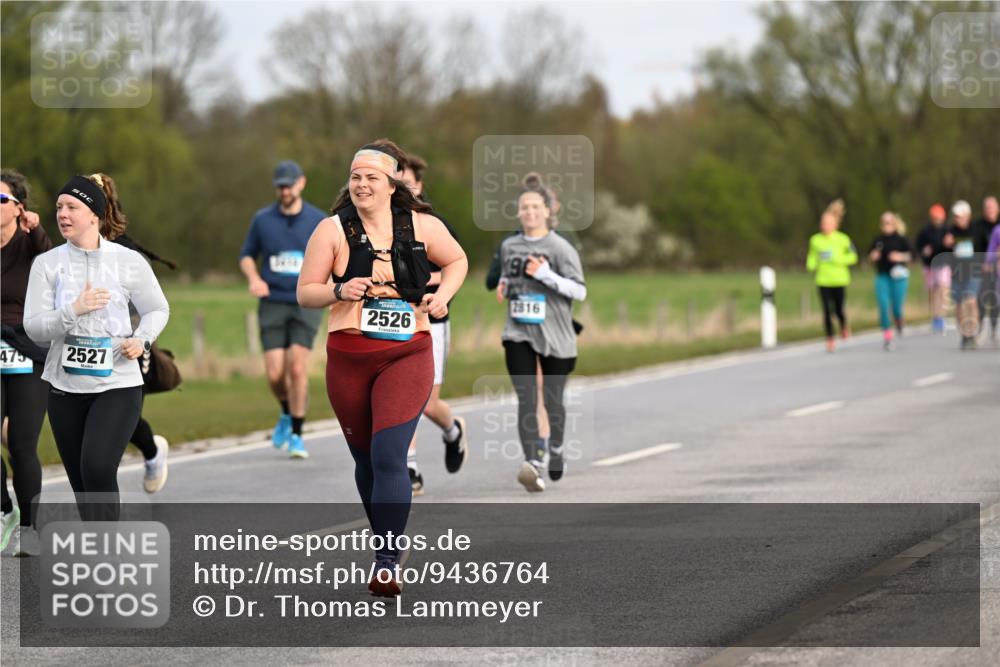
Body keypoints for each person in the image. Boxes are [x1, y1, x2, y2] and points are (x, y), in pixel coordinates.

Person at [297, 141, 467, 596]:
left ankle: (387, 560)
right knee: (366, 461)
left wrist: (442, 296)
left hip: (406, 352)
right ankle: (387, 543)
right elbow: (305, 292)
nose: (361, 185)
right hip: (349, 359)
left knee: (390, 455)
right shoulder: (331, 231)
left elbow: (457, 260)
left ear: (392, 186)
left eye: (371, 178)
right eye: (355, 177)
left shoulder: (424, 226)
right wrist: (338, 290)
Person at [24, 175, 169, 521]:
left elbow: (158, 309)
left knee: (98, 468)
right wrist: (74, 310)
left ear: (95, 215)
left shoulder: (127, 261)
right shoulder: (47, 264)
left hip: (118, 383)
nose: (63, 214)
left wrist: (141, 339)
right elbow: (34, 327)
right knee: (82, 484)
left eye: (72, 207)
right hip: (64, 386)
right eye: (59, 207)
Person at [498, 176, 586, 493]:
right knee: (526, 398)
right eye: (525, 207)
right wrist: (505, 287)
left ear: (547, 211)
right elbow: (510, 279)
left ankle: (557, 447)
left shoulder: (561, 248)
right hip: (518, 331)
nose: (530, 212)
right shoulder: (510, 246)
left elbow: (579, 290)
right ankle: (533, 462)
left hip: (557, 336)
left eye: (536, 206)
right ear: (518, 212)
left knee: (552, 402)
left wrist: (547, 275)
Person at [91, 173, 176, 493]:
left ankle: (152, 454)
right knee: (94, 417)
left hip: (127, 343)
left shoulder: (127, 254)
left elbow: (149, 306)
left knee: (118, 420)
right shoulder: (71, 249)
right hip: (88, 348)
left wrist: (137, 339)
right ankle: (150, 450)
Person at [391, 150, 467, 496]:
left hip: (432, 320)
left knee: (425, 402)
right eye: (396, 184)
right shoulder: (384, 226)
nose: (402, 190)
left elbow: (452, 266)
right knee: (402, 396)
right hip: (395, 320)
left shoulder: (435, 224)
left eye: (407, 183)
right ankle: (410, 467)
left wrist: (422, 286)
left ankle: (453, 431)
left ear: (418, 186)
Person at [240, 161, 327, 458]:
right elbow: (247, 256)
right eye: (280, 185)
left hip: (306, 302)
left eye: (289, 185)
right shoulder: (262, 220)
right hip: (273, 301)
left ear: (301, 183)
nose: (285, 190)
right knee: (276, 374)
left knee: (298, 368)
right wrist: (254, 279)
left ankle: (298, 435)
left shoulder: (318, 220)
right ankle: (287, 412)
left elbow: (333, 256)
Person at [1, 169, 51, 555]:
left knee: (20, 444)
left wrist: (34, 229)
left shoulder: (32, 245)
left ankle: (31, 528)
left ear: (19, 208)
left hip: (27, 352)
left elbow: (53, 261)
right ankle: (5, 510)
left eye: (1, 199)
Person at [806, 200, 858, 353]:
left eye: (828, 223)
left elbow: (853, 257)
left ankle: (843, 326)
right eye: (823, 223)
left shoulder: (843, 239)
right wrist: (811, 264)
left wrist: (838, 259)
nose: (824, 226)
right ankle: (830, 338)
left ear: (835, 224)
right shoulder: (815, 240)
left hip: (840, 279)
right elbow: (812, 257)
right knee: (826, 311)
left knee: (838, 309)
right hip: (823, 280)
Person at [943, 200, 990, 350]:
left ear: (967, 216)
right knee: (959, 305)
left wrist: (986, 262)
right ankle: (964, 334)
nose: (958, 219)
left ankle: (972, 333)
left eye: (961, 216)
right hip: (957, 272)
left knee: (970, 300)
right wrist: (946, 244)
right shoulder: (950, 232)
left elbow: (986, 246)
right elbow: (940, 250)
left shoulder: (976, 230)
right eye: (956, 217)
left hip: (973, 271)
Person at [867, 212, 912, 351]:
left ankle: (899, 321)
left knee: (897, 308)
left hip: (899, 277)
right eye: (884, 222)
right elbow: (869, 256)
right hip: (883, 276)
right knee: (884, 306)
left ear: (894, 223)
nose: (887, 225)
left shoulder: (901, 239)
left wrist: (900, 256)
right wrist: (873, 256)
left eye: (889, 222)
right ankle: (887, 337)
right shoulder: (878, 240)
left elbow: (911, 255)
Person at [915, 203, 951, 334]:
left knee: (942, 289)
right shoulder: (925, 232)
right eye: (935, 217)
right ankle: (935, 316)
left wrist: (949, 245)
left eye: (939, 217)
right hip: (929, 265)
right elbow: (918, 246)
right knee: (932, 291)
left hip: (943, 264)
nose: (937, 220)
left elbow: (951, 248)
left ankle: (941, 316)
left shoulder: (947, 230)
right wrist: (923, 251)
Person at [974, 196, 999, 343]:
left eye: (992, 207)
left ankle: (995, 329)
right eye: (987, 207)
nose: (990, 210)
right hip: (983, 267)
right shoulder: (978, 226)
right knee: (982, 297)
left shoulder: (997, 228)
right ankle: (981, 326)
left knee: (996, 299)